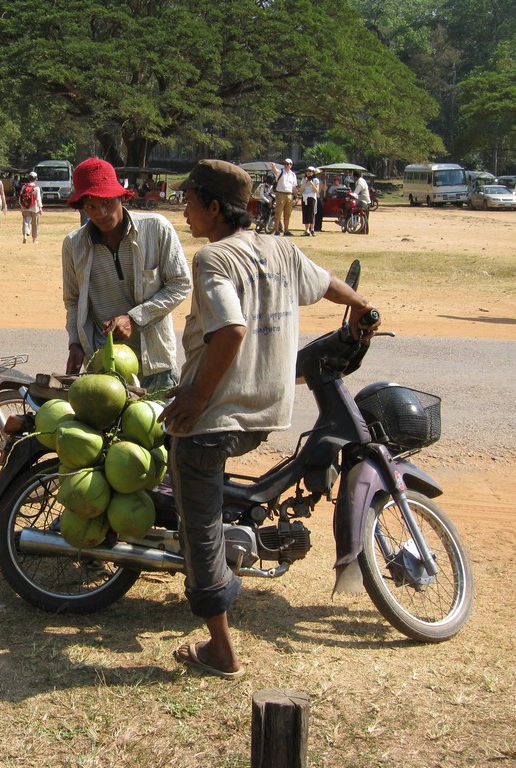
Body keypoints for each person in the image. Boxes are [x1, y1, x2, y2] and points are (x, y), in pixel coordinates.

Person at [158, 159, 379, 679]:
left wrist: (195, 397)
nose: (184, 211)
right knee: (212, 497)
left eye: (189, 201)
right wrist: (361, 305)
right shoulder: (281, 248)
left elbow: (230, 331)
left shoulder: (214, 257)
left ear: (214, 207)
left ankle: (220, 649)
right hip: (267, 411)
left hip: (217, 415)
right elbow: (326, 284)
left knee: (201, 523)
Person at [62, 158, 190, 393]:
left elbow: (180, 284)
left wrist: (135, 318)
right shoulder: (73, 244)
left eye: (107, 202)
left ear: (120, 196)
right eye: (90, 206)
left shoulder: (156, 228)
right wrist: (75, 342)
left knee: (156, 428)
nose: (100, 213)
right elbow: (73, 300)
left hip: (154, 362)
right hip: (104, 368)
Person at [271, 157, 297, 236]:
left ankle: (286, 230)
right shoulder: (281, 172)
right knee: (278, 212)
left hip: (289, 195)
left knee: (287, 213)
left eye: (288, 164)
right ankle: (276, 230)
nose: (286, 165)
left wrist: (296, 197)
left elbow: (294, 187)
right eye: (285, 163)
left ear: (291, 165)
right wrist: (273, 166)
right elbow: (275, 171)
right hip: (280, 194)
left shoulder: (293, 175)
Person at [18, 171, 43, 244]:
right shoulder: (36, 188)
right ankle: (34, 240)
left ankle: (25, 235)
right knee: (35, 224)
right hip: (34, 208)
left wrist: (21, 206)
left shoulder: (24, 186)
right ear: (35, 179)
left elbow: (20, 197)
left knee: (26, 222)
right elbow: (38, 198)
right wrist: (40, 208)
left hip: (25, 207)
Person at [300, 166, 320, 236]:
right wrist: (305, 183)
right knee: (305, 213)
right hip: (305, 197)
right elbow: (301, 190)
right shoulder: (303, 180)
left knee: (311, 213)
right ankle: (306, 230)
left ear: (313, 173)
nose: (309, 172)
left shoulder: (316, 180)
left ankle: (312, 229)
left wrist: (311, 184)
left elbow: (316, 191)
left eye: (310, 171)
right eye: (308, 171)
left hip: (312, 197)